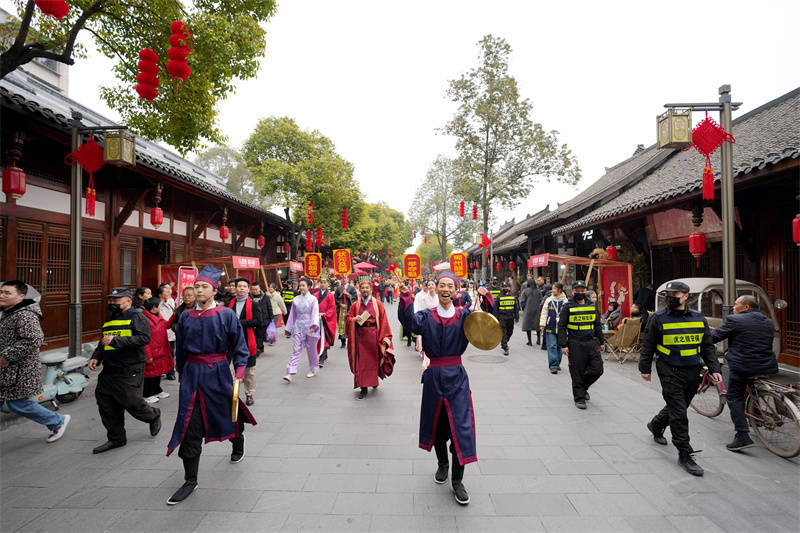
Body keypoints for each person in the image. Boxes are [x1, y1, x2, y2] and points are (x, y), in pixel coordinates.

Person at [397, 271, 494, 506]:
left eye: (450, 285)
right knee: (438, 427)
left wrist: (486, 297)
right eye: (442, 285)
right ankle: (442, 464)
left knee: (460, 429)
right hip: (434, 377)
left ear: (456, 290)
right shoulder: (426, 316)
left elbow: (487, 323)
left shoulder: (464, 316)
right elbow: (409, 322)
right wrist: (406, 297)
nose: (446, 289)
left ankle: (458, 481)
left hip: (457, 379)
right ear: (437, 288)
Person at [166, 265, 256, 505]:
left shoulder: (226, 315)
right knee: (189, 423)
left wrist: (239, 372)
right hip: (192, 375)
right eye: (196, 286)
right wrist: (181, 371)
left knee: (227, 415)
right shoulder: (186, 316)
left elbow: (239, 345)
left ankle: (237, 441)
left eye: (204, 286)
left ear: (214, 290)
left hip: (218, 373)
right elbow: (180, 348)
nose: (199, 290)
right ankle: (190, 479)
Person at [639, 280, 721, 476]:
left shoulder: (698, 318)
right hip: (669, 368)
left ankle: (656, 425)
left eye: (675, 294)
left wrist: (714, 368)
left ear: (686, 296)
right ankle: (684, 453)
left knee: (680, 406)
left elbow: (707, 346)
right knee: (679, 412)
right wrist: (645, 368)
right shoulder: (658, 318)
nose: (671, 298)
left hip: (692, 369)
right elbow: (648, 344)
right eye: (668, 295)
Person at [88, 287, 161, 453]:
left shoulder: (136, 316)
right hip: (110, 367)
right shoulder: (110, 318)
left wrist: (116, 340)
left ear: (128, 301)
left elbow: (144, 338)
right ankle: (116, 438)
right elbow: (103, 340)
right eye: (111, 300)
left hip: (130, 366)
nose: (112, 302)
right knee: (106, 402)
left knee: (131, 401)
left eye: (116, 300)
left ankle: (153, 415)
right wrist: (96, 356)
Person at [0, 281, 71, 443]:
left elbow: (33, 339)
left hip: (18, 369)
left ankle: (57, 421)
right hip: (7, 369)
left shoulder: (25, 315)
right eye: (1, 292)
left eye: (7, 293)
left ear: (21, 297)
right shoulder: (7, 312)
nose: (2, 295)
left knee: (17, 403)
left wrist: (6, 356)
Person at [711, 295, 778, 452]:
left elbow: (715, 336)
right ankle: (755, 415)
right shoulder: (767, 321)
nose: (733, 307)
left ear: (746, 307)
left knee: (733, 397)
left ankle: (742, 436)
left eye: (736, 304)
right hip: (766, 365)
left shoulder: (735, 320)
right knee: (751, 388)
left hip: (743, 366)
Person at [557, 281, 604, 410]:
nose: (580, 293)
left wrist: (601, 342)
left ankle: (583, 388)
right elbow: (561, 327)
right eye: (577, 290)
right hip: (575, 343)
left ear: (585, 291)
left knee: (597, 369)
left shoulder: (591, 305)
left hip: (591, 342)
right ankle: (579, 398)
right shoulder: (568, 307)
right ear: (573, 292)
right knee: (577, 371)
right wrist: (563, 345)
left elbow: (597, 325)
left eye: (582, 290)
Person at [346, 280, 394, 400]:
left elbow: (383, 321)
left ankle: (373, 381)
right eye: (363, 288)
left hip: (374, 337)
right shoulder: (355, 305)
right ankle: (363, 388)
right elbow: (348, 318)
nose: (365, 290)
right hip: (360, 338)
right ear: (359, 290)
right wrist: (354, 319)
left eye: (367, 288)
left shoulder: (378, 304)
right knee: (362, 363)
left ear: (371, 290)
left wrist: (384, 337)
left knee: (373, 362)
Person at [228, 278, 262, 406]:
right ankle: (232, 393)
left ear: (248, 289)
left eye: (244, 286)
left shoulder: (254, 304)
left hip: (248, 340)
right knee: (231, 368)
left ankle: (249, 393)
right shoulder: (230, 304)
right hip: (231, 341)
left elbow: (258, 322)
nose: (241, 288)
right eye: (239, 286)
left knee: (249, 371)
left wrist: (239, 323)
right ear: (235, 288)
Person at [283, 277, 320, 382]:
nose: (301, 287)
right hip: (298, 326)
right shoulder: (296, 299)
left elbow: (315, 313)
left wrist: (314, 325)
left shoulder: (313, 299)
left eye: (304, 285)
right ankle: (290, 372)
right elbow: (292, 315)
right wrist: (288, 328)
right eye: (300, 285)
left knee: (311, 350)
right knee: (296, 349)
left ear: (309, 287)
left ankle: (313, 369)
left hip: (310, 327)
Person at [142, 297, 174, 404]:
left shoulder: (158, 316)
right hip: (151, 352)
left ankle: (157, 390)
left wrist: (175, 315)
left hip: (160, 351)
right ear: (153, 308)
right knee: (149, 375)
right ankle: (147, 394)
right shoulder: (144, 320)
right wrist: (147, 355)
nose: (160, 307)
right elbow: (144, 340)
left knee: (157, 373)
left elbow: (167, 325)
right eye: (159, 305)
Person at [540, 282, 567, 373]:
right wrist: (542, 325)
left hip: (562, 328)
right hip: (550, 326)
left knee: (559, 346)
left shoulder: (565, 301)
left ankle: (557, 363)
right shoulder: (549, 300)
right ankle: (553, 365)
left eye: (555, 289)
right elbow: (544, 313)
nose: (553, 290)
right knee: (552, 345)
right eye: (552, 288)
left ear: (560, 290)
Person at [315, 275, 337, 367]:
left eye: (324, 283)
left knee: (324, 338)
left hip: (325, 319)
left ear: (328, 284)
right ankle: (323, 354)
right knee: (317, 338)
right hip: (317, 318)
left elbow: (332, 308)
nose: (322, 284)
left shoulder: (330, 295)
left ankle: (321, 357)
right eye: (321, 282)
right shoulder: (315, 295)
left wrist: (324, 316)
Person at [157, 284, 177, 380]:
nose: (169, 292)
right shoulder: (156, 304)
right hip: (160, 333)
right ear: (160, 294)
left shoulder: (171, 301)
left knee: (171, 353)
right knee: (160, 354)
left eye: (170, 289)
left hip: (170, 332)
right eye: (166, 290)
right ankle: (160, 370)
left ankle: (170, 372)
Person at [413, 281, 439, 357]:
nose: (431, 286)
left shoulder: (439, 297)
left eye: (432, 284)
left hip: (437, 320)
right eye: (429, 285)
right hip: (427, 320)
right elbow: (420, 308)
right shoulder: (423, 298)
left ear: (435, 286)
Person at [493, 281, 519, 356]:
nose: (505, 288)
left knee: (510, 332)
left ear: (509, 287)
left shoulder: (513, 296)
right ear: (501, 288)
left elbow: (516, 308)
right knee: (503, 332)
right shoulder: (499, 297)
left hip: (511, 317)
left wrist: (517, 317)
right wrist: (496, 319)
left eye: (506, 287)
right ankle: (505, 347)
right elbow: (496, 309)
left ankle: (504, 342)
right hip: (502, 317)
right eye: (503, 287)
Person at [250, 281, 273, 355]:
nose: (255, 291)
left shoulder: (265, 297)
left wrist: (271, 317)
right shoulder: (249, 297)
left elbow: (269, 307)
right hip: (253, 320)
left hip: (264, 319)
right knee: (255, 335)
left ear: (260, 289)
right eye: (253, 289)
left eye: (256, 289)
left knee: (260, 335)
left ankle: (258, 349)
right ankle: (260, 347)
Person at [519, 279, 543, 346]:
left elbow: (522, 301)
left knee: (528, 326)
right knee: (537, 325)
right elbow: (541, 300)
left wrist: (524, 308)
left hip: (528, 310)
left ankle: (529, 341)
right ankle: (538, 340)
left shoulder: (525, 291)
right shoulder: (538, 291)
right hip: (537, 310)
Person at [335, 279, 355, 348]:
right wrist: (340, 304)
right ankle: (343, 342)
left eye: (346, 278)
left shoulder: (352, 288)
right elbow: (335, 298)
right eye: (344, 278)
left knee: (349, 325)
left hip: (349, 309)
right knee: (342, 326)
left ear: (348, 279)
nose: (345, 280)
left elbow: (355, 298)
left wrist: (348, 294)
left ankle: (351, 341)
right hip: (341, 309)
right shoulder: (338, 288)